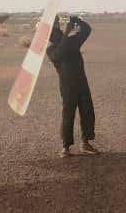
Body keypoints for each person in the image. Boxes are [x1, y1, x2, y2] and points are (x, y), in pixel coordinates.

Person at [47, 15, 97, 157]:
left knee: (87, 112)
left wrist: (77, 21)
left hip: (81, 82)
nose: (57, 32)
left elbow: (87, 30)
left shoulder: (71, 41)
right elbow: (60, 53)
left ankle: (85, 143)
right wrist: (67, 33)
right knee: (68, 115)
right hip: (68, 86)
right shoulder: (51, 50)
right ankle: (66, 147)